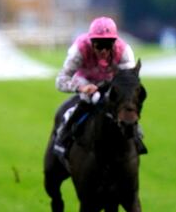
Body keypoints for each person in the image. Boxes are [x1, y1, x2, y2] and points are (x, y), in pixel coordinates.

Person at [53, 16, 147, 158]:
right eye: (99, 44)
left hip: (111, 81)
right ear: (91, 42)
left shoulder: (124, 51)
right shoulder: (79, 49)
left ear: (114, 42)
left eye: (108, 44)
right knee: (93, 98)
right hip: (85, 80)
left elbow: (128, 82)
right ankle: (64, 135)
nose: (103, 51)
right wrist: (80, 89)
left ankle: (135, 135)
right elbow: (60, 80)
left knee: (123, 103)